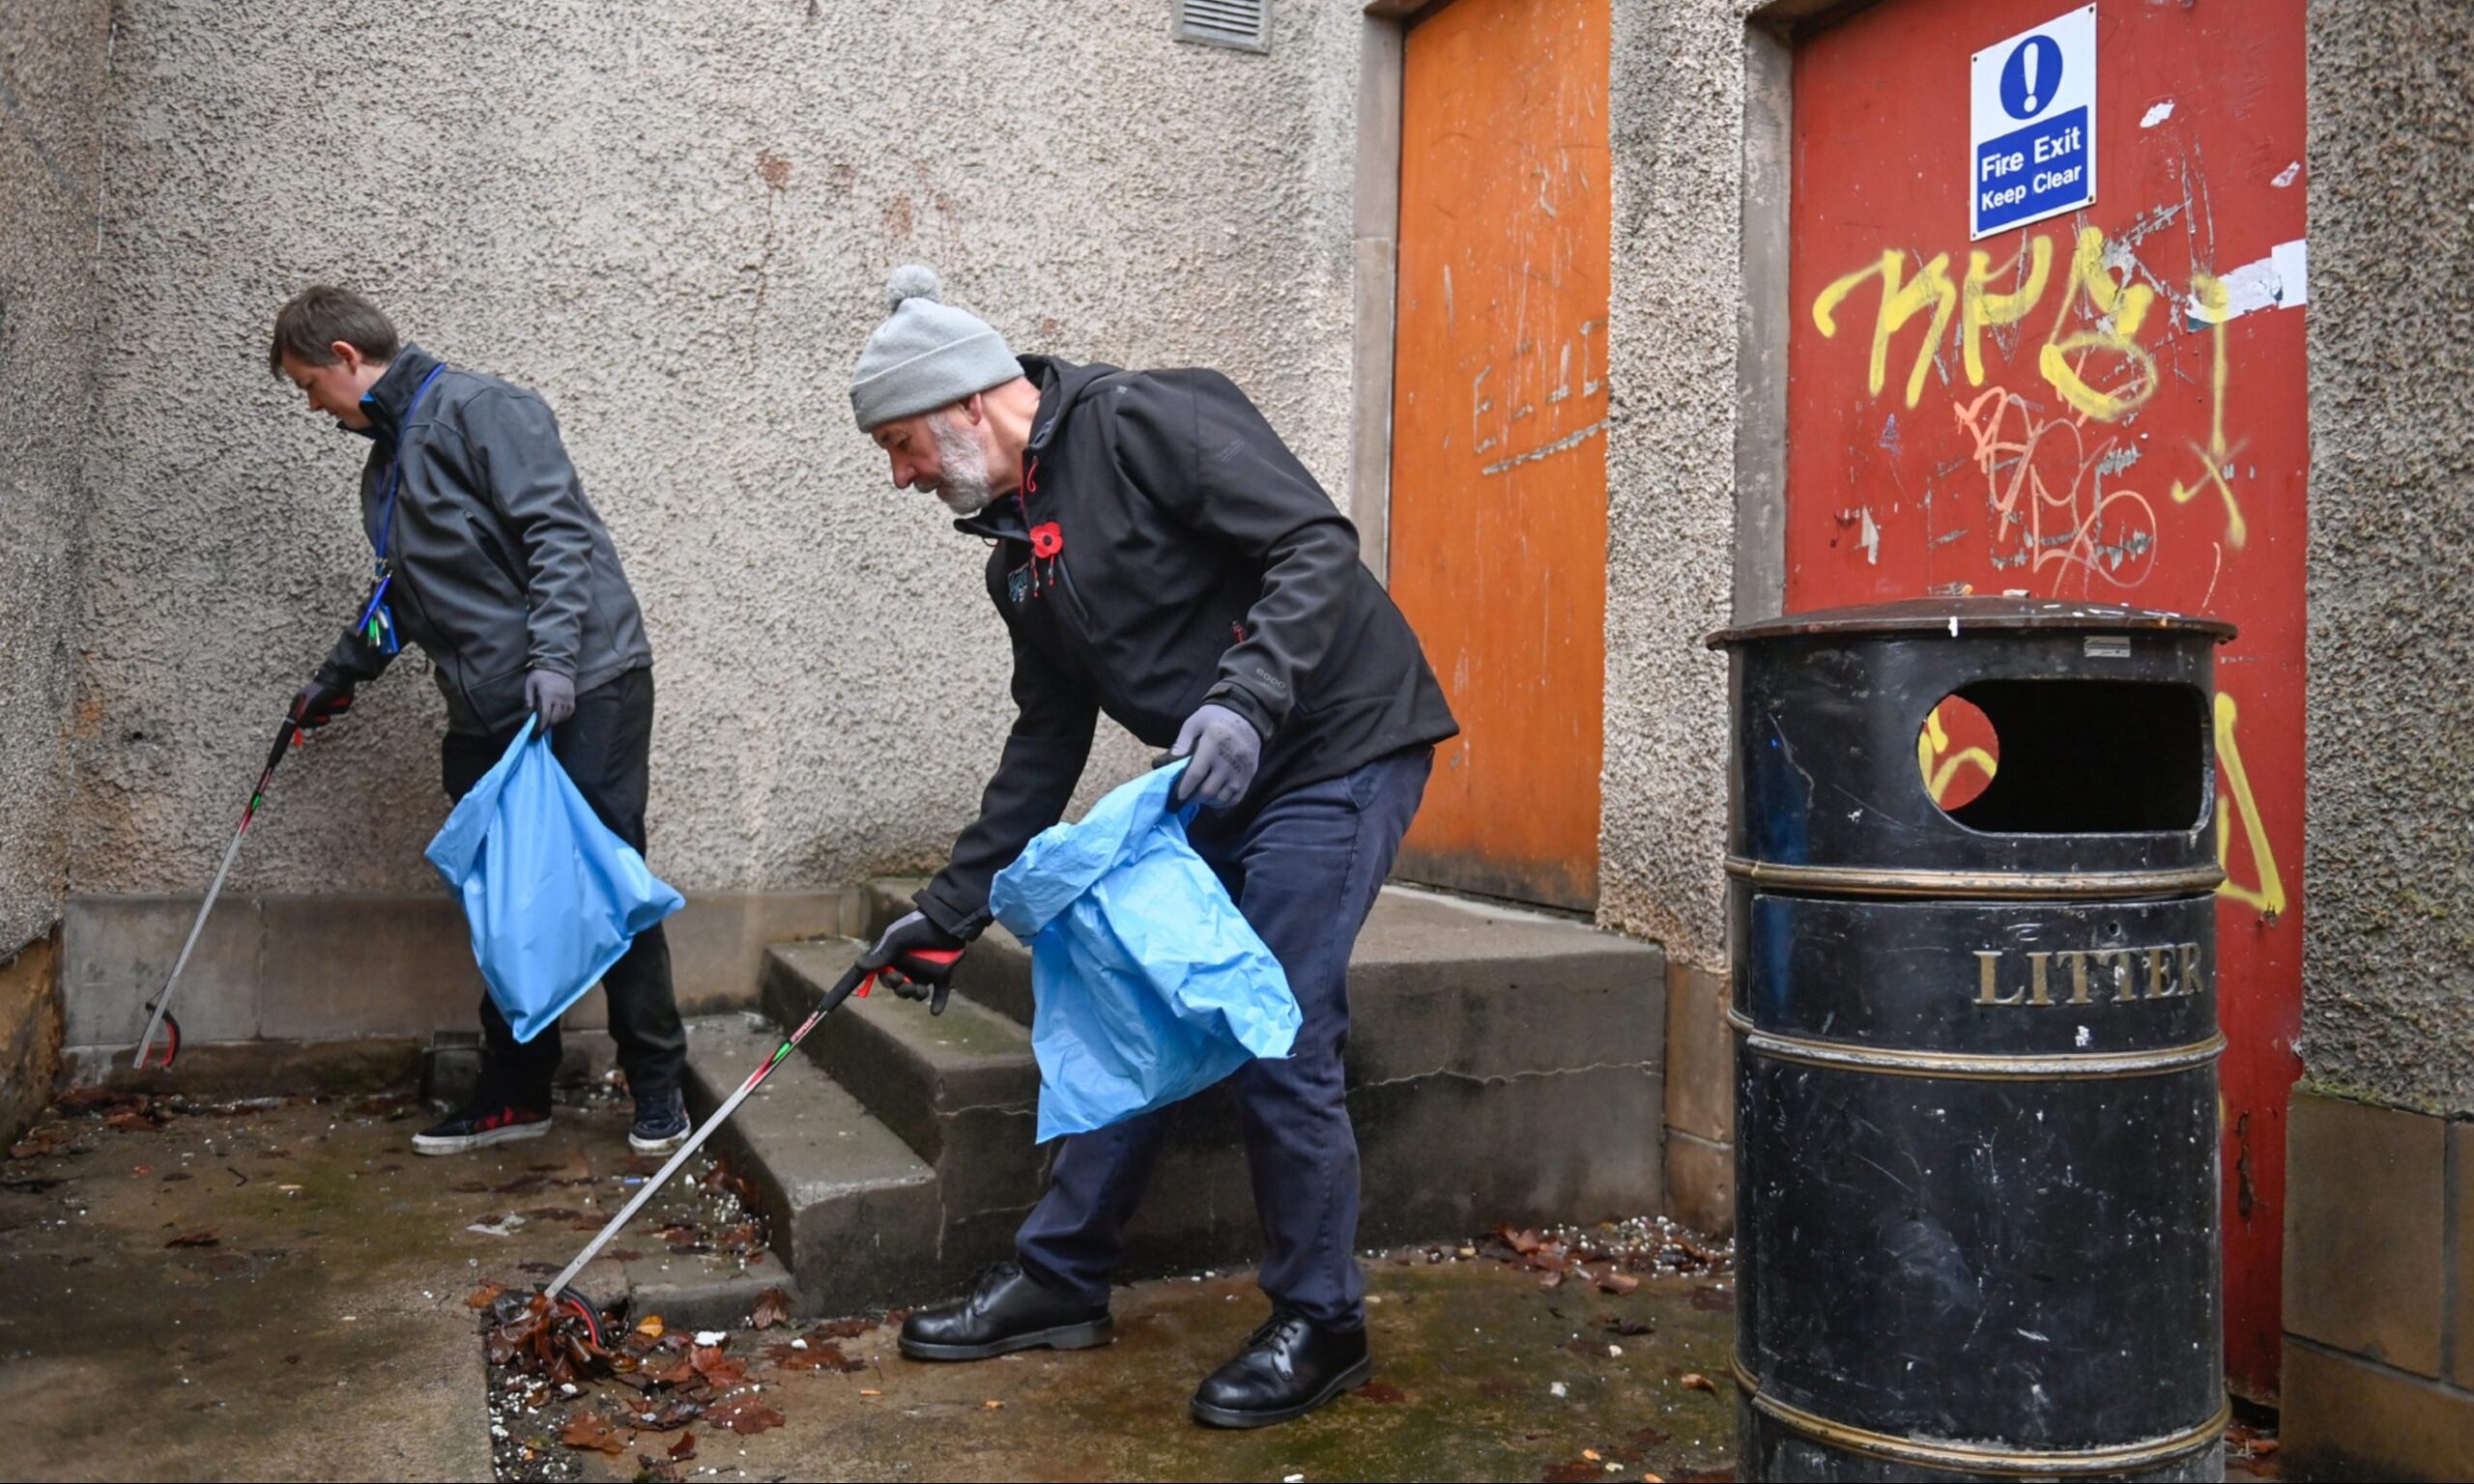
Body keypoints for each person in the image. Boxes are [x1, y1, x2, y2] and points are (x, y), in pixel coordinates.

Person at [847, 266, 1458, 1427]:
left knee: (1271, 1012)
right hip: (1219, 778)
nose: (901, 477)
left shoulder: (1146, 419)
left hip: (1336, 742)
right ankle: (1061, 1280)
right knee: (1128, 988)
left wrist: (1247, 697)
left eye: (902, 445)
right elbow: (1045, 740)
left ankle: (1322, 1322)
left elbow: (1314, 546)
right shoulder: (1017, 557)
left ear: (968, 404)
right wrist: (951, 908)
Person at [267, 284, 689, 1158]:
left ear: (346, 359)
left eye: (310, 384)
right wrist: (337, 677)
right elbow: (401, 596)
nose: (312, 405)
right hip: (490, 709)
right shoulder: (385, 467)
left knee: (608, 885)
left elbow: (557, 538)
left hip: (585, 685)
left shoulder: (482, 410)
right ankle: (513, 1095)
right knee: (504, 902)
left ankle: (660, 1088)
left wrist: (555, 663)